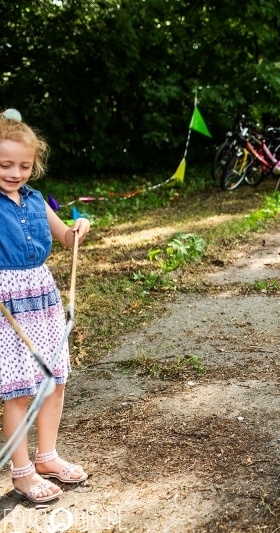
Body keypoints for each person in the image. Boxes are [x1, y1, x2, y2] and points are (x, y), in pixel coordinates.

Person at [1, 113, 90, 503]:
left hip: (42, 297)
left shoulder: (36, 200)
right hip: (7, 304)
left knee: (54, 380)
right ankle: (21, 473)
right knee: (19, 390)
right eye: (5, 165)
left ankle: (47, 457)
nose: (15, 173)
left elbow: (66, 239)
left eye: (23, 165)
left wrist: (79, 228)